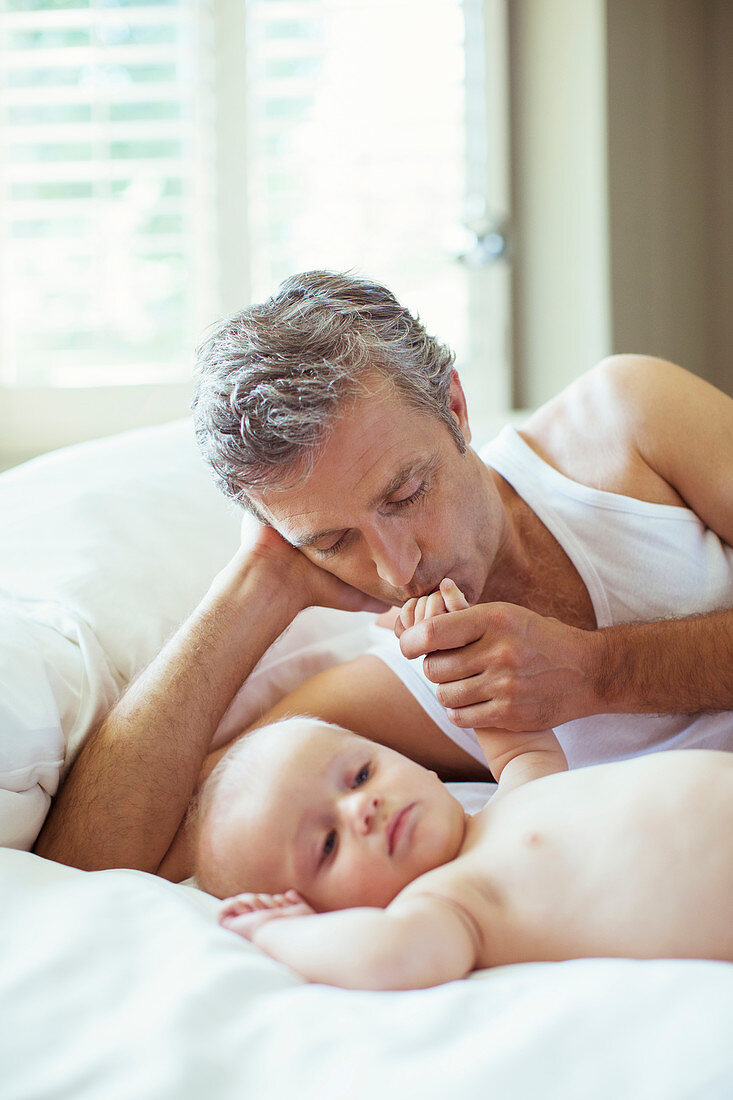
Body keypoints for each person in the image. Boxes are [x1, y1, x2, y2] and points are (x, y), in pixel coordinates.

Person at [33, 270, 733, 878]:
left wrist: (595, 671)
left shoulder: (626, 421)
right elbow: (88, 864)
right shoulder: (407, 691)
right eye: (335, 540)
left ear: (453, 407)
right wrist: (257, 583)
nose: (398, 570)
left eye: (404, 494)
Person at [203, 717, 733, 990]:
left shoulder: (517, 791)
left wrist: (452, 645)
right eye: (328, 843)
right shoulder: (448, 899)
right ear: (323, 912)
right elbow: (393, 957)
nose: (362, 808)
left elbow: (521, 744)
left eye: (361, 774)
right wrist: (281, 932)